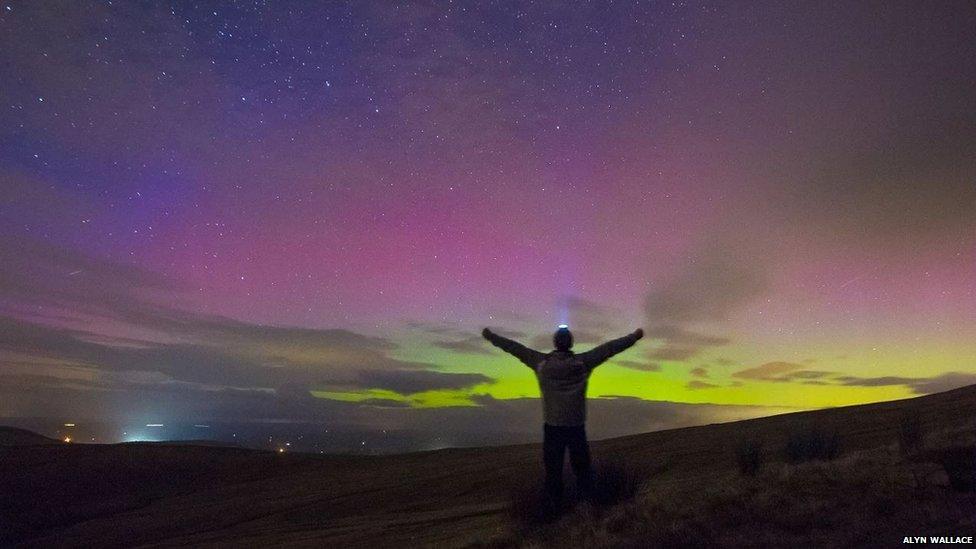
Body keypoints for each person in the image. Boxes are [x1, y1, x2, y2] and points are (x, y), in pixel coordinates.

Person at [482, 325, 644, 502]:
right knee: (583, 473)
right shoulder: (583, 363)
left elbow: (514, 348)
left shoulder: (541, 363)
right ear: (571, 343)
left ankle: (553, 511)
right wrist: (633, 337)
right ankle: (587, 510)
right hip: (576, 428)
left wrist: (491, 337)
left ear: (555, 343)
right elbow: (609, 349)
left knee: (553, 475)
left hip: (553, 428)